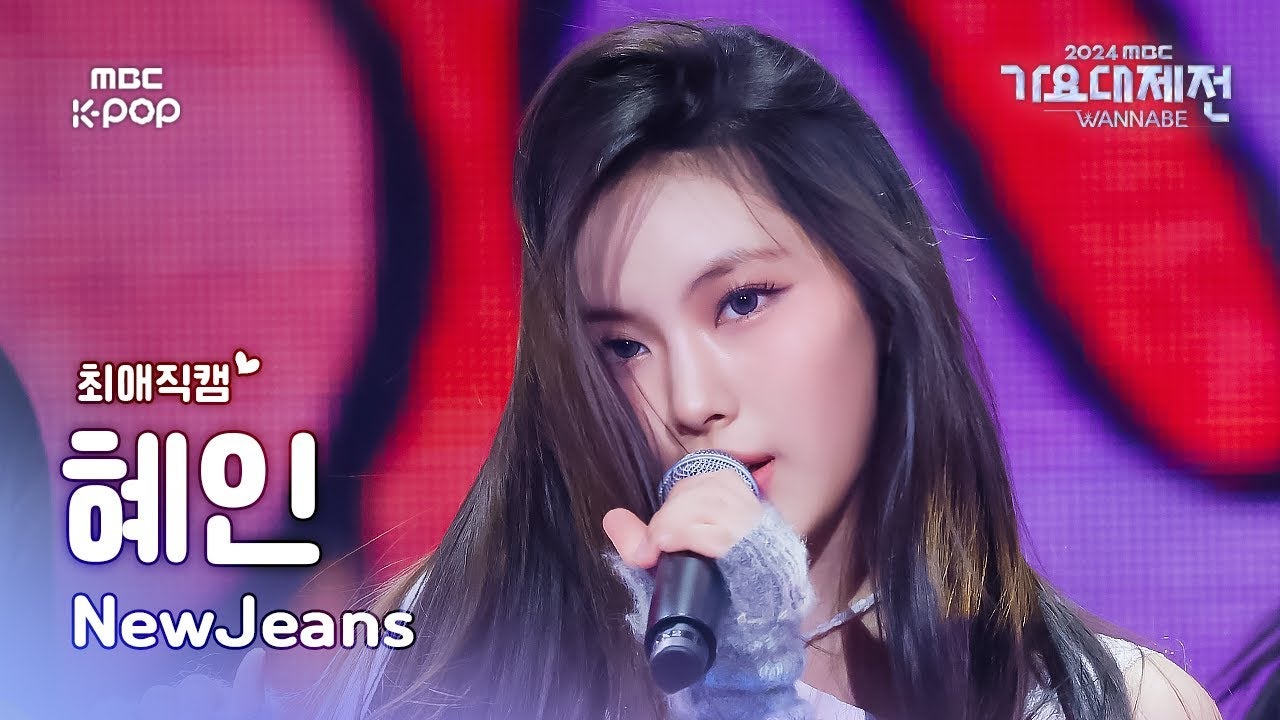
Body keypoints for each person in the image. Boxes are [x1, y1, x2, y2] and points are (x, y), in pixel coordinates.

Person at [150, 19, 1224, 720]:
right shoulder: (437, 655)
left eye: (743, 302)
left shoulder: (1110, 702)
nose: (689, 400)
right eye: (621, 345)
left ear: (881, 297)